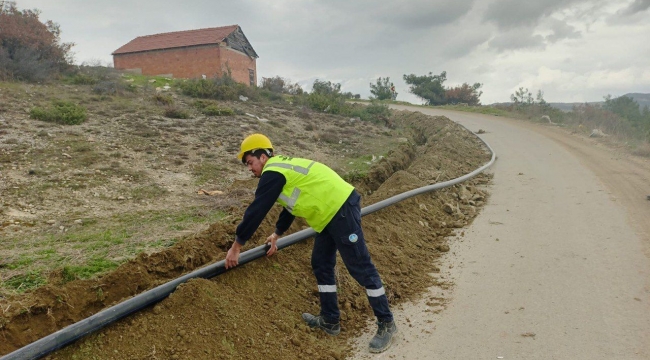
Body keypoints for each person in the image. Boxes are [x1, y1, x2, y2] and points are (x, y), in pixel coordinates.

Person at [225, 133, 397, 353]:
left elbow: (257, 210)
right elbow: (290, 203)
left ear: (262, 156)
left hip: (340, 209)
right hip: (328, 215)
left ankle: (386, 323)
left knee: (361, 267)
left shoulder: (272, 172)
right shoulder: (281, 169)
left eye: (250, 162)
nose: (250, 169)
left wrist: (236, 246)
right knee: (321, 263)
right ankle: (330, 320)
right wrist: (277, 234)